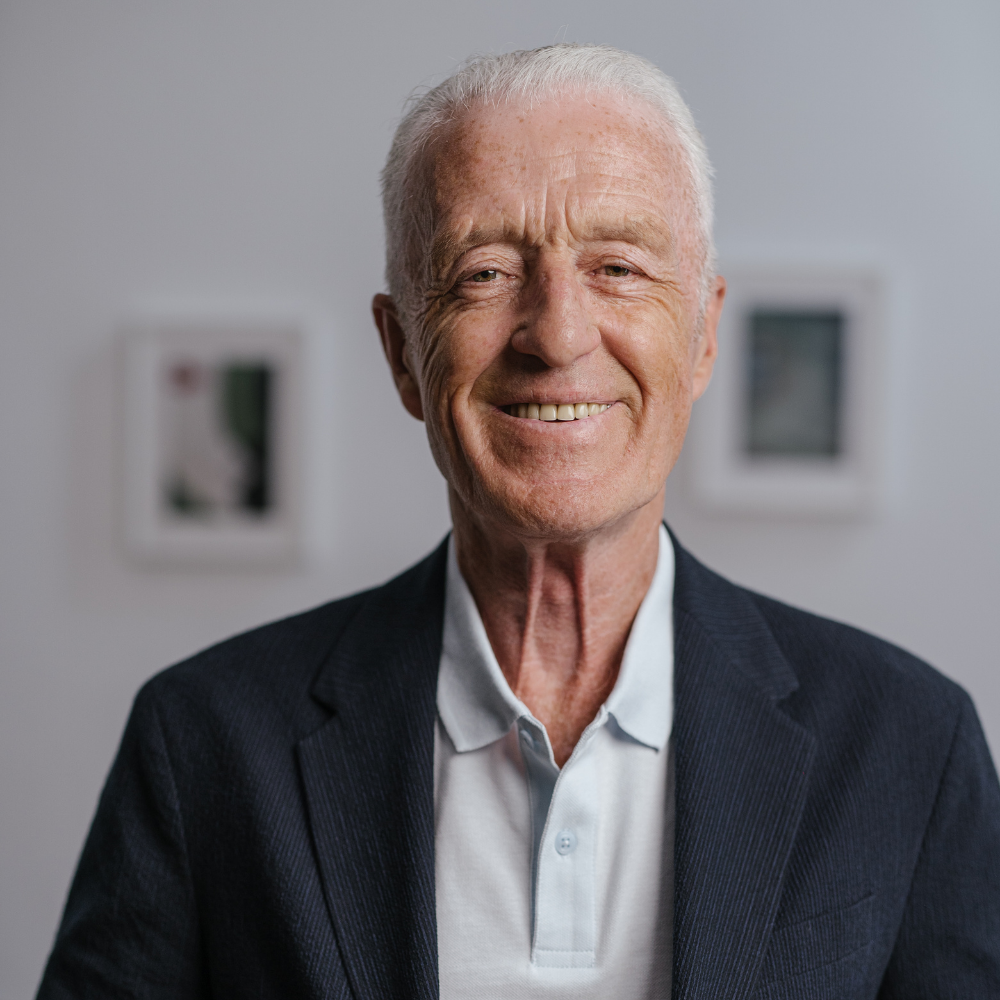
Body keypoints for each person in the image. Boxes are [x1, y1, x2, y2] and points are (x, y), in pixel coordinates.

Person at [37, 44, 1000, 1000]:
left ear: (703, 337)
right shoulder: (204, 740)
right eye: (485, 273)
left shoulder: (908, 743)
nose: (558, 335)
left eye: (617, 267)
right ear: (403, 352)